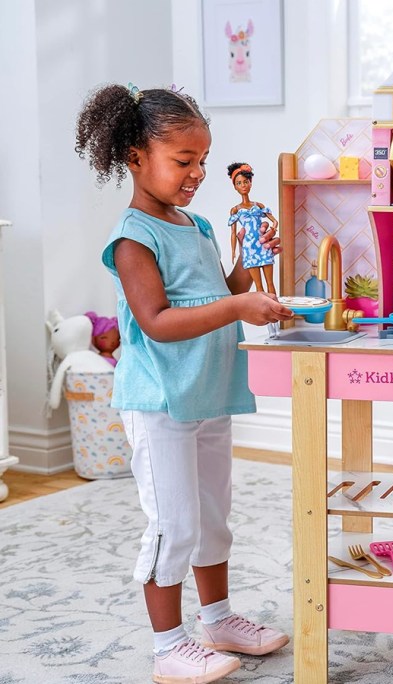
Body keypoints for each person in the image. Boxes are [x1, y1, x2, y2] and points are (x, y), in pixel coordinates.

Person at [75, 83, 295, 684]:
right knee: (173, 523)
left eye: (203, 160)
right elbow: (159, 322)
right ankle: (168, 645)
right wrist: (241, 305)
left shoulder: (195, 224)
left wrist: (251, 262)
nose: (198, 173)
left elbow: (219, 292)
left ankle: (218, 619)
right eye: (183, 161)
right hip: (162, 399)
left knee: (212, 516)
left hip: (207, 389)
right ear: (135, 157)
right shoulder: (132, 239)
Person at [227, 162, 278, 295]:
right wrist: (233, 251)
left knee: (271, 284)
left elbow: (274, 220)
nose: (243, 185)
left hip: (263, 243)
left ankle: (275, 313)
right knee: (259, 287)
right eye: (239, 183)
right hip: (249, 248)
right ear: (234, 187)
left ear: (250, 182)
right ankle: (264, 313)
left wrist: (273, 228)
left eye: (245, 182)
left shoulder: (258, 205)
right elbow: (233, 233)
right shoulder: (235, 210)